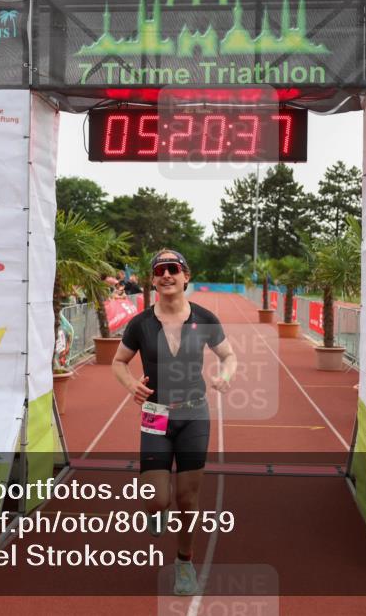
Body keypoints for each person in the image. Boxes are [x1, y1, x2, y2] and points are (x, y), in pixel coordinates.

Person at [112, 249, 236, 596]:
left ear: (185, 276)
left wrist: (225, 375)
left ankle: (184, 562)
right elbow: (119, 362)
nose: (167, 275)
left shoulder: (205, 318)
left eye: (173, 269)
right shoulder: (140, 324)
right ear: (153, 280)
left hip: (194, 413)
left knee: (188, 498)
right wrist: (131, 385)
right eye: (160, 271)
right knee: (155, 499)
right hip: (155, 414)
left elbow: (228, 355)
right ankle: (156, 509)